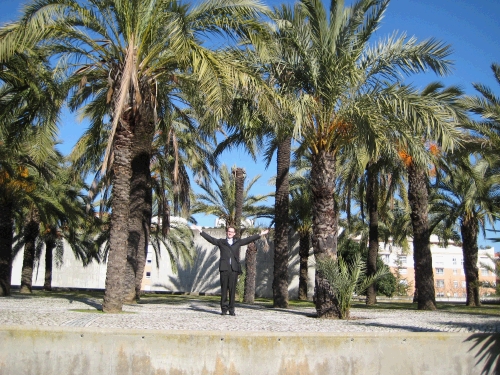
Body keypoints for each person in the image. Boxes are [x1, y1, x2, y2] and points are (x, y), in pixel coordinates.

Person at [191, 224, 269, 316]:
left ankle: (231, 309)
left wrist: (260, 234)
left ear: (234, 233)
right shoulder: (221, 242)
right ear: (226, 233)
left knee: (232, 290)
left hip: (234, 269)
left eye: (232, 232)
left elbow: (248, 239)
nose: (230, 233)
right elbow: (211, 239)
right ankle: (224, 309)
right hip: (224, 268)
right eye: (229, 232)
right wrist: (201, 231)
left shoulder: (238, 242)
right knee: (224, 290)